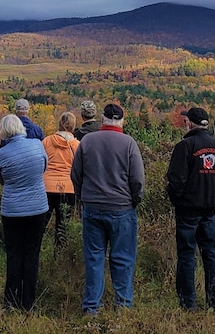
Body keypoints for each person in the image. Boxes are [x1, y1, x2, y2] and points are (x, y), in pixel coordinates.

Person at [71, 104, 145, 315]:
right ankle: (122, 306)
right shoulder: (129, 143)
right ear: (121, 121)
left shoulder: (87, 141)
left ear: (103, 119)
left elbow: (75, 174)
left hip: (92, 208)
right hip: (122, 208)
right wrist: (134, 200)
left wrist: (82, 197)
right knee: (122, 258)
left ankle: (91, 307)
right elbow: (137, 180)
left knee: (94, 258)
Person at [166, 107, 215, 311]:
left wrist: (177, 199)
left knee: (187, 255)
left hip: (188, 212)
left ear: (189, 123)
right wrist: (212, 192)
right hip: (209, 212)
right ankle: (214, 302)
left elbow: (175, 181)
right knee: (210, 255)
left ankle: (188, 304)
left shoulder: (185, 146)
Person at [0, 114, 48, 311]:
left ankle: (10, 301)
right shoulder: (37, 145)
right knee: (32, 254)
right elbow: (44, 167)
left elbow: (1, 179)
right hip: (37, 208)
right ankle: (29, 302)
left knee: (14, 254)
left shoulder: (2, 153)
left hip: (12, 210)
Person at [42, 111, 80, 247]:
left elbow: (41, 162)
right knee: (63, 226)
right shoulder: (76, 145)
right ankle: (60, 256)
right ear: (73, 126)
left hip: (47, 187)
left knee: (41, 224)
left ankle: (34, 252)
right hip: (68, 188)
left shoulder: (46, 141)